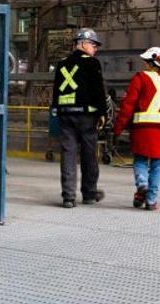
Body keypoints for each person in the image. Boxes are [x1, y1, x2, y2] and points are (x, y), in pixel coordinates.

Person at [112, 47, 160, 211]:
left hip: (143, 130)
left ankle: (142, 184)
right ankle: (151, 201)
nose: (144, 64)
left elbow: (128, 105)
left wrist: (118, 128)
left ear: (151, 63)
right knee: (157, 165)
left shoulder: (140, 78)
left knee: (140, 160)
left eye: (146, 62)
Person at [51, 28, 108, 208]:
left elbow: (56, 89)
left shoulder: (62, 64)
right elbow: (98, 90)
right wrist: (103, 113)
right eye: (93, 45)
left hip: (66, 115)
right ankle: (89, 194)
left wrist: (56, 110)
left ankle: (68, 197)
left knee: (68, 154)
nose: (95, 49)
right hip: (86, 116)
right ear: (83, 43)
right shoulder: (92, 63)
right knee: (89, 155)